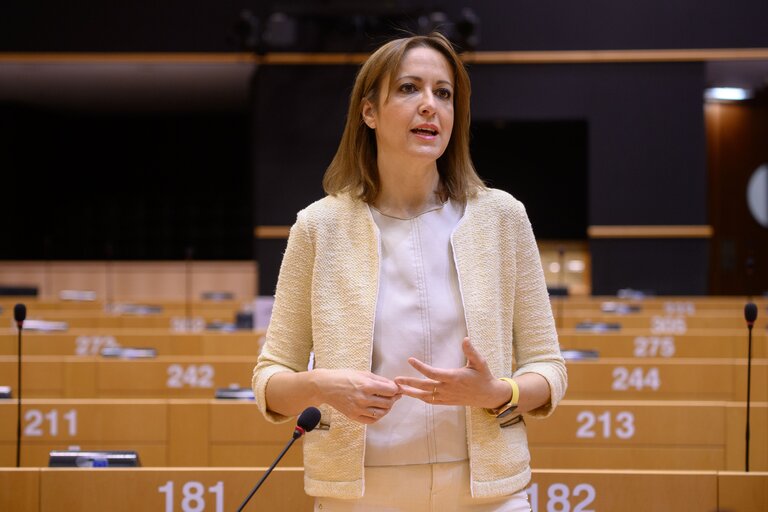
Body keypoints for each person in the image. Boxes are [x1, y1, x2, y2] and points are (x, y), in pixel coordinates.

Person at [252, 31, 567, 511]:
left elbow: (549, 367)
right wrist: (324, 385)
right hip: (359, 497)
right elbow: (271, 380)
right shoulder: (319, 226)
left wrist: (497, 392)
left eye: (443, 93)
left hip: (487, 495)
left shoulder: (502, 217)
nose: (430, 105)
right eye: (409, 88)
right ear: (369, 112)